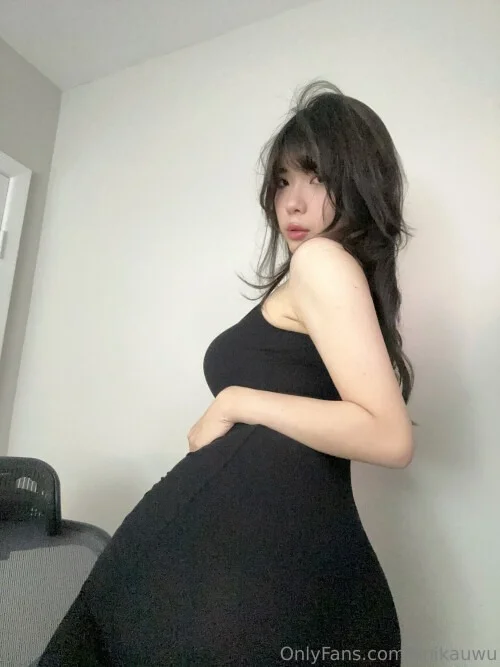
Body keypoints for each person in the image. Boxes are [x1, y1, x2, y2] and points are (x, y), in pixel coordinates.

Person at [38, 80, 415, 666]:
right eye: (283, 181)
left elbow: (390, 437)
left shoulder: (321, 261)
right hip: (245, 569)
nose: (292, 202)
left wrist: (236, 400)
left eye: (316, 177)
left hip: (242, 581)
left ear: (360, 180)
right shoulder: (326, 275)